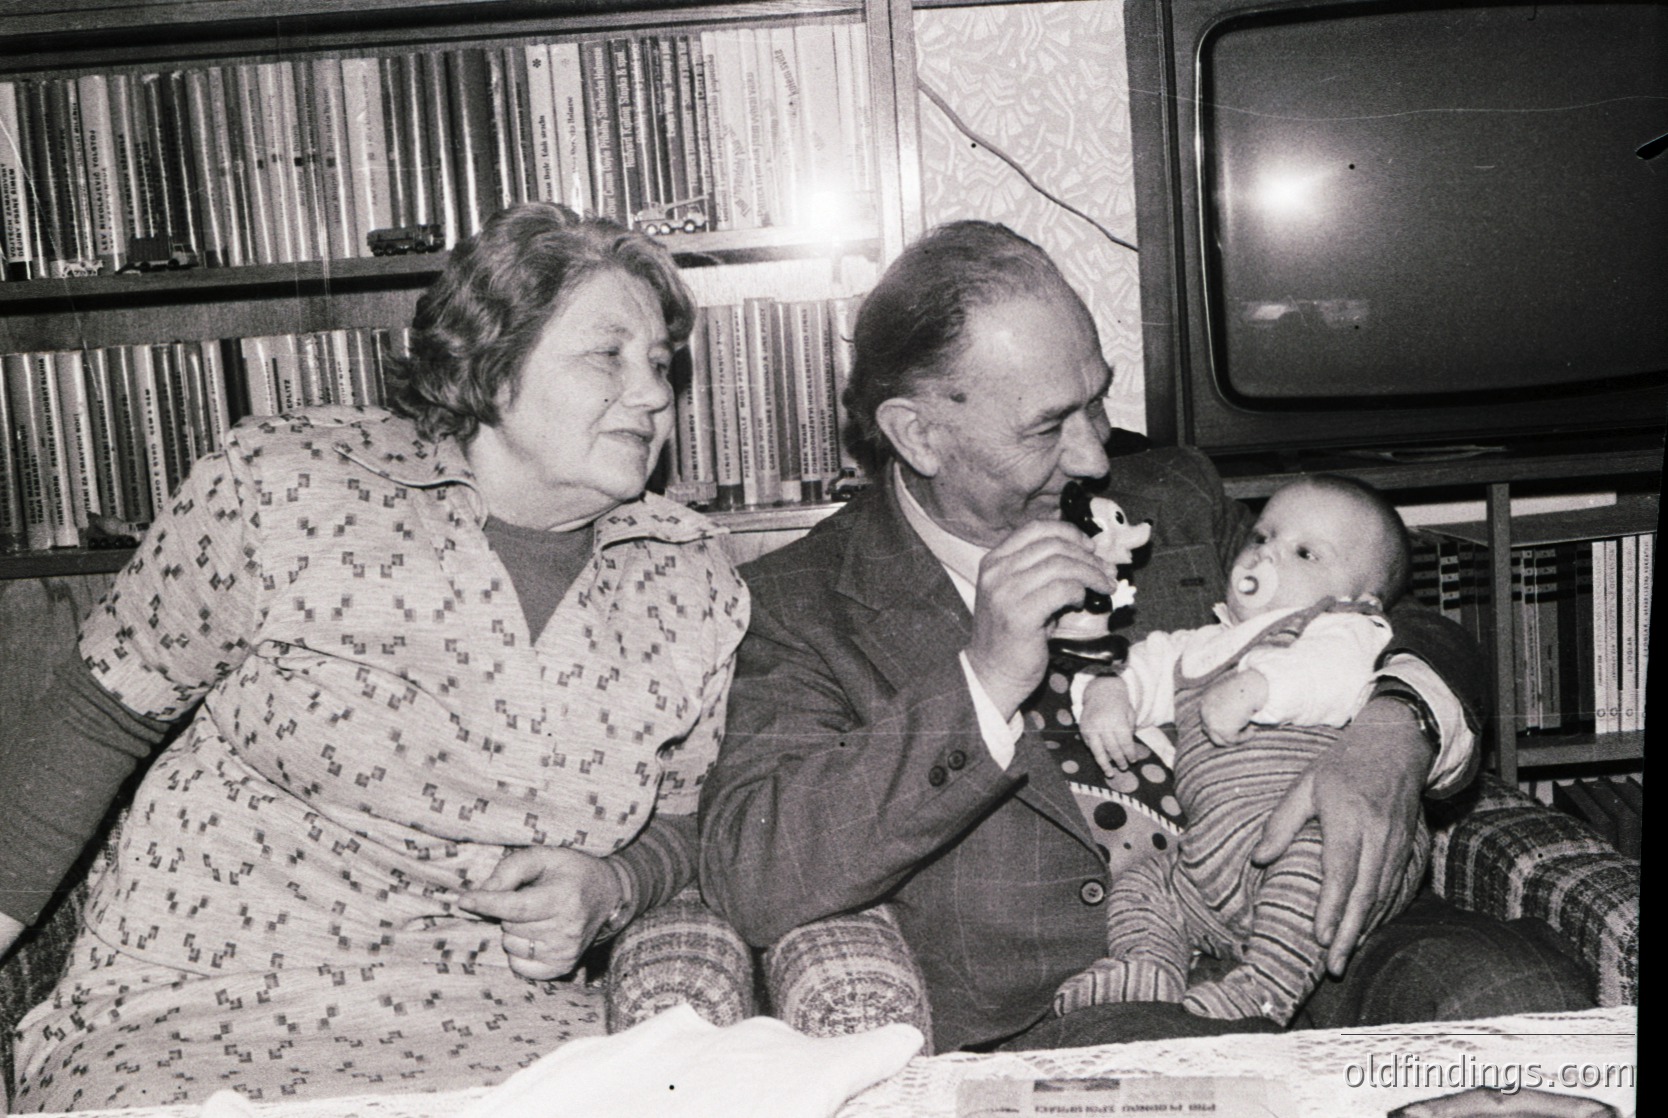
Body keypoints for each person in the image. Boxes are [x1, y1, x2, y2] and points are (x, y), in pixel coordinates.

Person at [698, 220, 1591, 1054]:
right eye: (1049, 426)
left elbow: (1392, 603)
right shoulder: (800, 602)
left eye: (1096, 400)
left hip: (1316, 936)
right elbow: (753, 869)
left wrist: (1399, 725)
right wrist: (982, 678)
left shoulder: (1171, 494)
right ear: (919, 435)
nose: (1093, 455)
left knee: (1523, 999)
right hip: (1083, 1004)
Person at [0, 203, 749, 1110]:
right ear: (492, 362)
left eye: (662, 366)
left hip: (498, 1027)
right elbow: (93, 721)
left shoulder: (689, 578)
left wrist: (615, 883)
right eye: (609, 355)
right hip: (193, 1013)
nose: (653, 395)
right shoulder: (284, 486)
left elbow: (696, 817)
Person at [1055, 475, 1429, 1025]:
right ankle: (1148, 966)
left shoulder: (1344, 627)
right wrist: (1109, 692)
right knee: (1147, 882)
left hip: (1316, 830)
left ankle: (1263, 990)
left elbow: (1340, 673)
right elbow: (1139, 665)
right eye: (1262, 537)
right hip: (1213, 855)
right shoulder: (1196, 645)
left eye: (1304, 552)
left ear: (1363, 596)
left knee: (1315, 868)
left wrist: (1262, 688)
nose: (1268, 554)